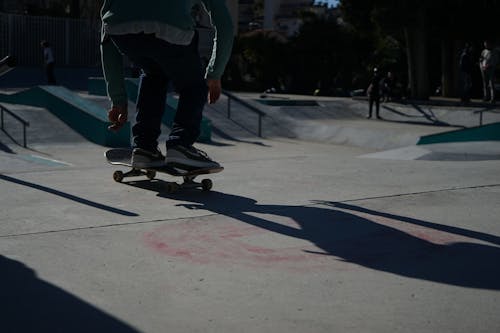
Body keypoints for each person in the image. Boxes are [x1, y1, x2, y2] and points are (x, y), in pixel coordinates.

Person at [100, 0, 234, 169]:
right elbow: (225, 26)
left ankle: (144, 148)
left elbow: (106, 34)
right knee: (194, 86)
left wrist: (117, 99)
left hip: (121, 30)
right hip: (171, 27)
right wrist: (215, 73)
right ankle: (181, 144)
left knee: (153, 74)